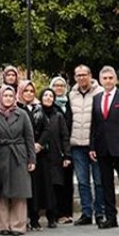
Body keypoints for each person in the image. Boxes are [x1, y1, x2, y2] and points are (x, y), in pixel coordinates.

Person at [89, 66, 119, 231]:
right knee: (106, 184)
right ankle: (111, 217)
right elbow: (94, 125)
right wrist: (92, 146)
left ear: (115, 80)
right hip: (103, 149)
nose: (108, 81)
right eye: (105, 78)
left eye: (111, 78)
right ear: (100, 80)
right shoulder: (96, 98)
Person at [0, 85, 36, 236]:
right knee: (0, 191)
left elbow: (29, 137)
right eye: (5, 96)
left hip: (19, 155)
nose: (8, 98)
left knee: (19, 190)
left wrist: (31, 159)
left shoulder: (22, 114)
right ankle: (2, 225)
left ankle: (17, 225)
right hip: (0, 154)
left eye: (10, 96)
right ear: (0, 97)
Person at [67, 65, 103, 225]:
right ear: (75, 77)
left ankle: (100, 212)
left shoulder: (100, 92)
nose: (81, 78)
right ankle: (86, 213)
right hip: (77, 144)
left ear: (90, 75)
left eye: (84, 74)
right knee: (82, 181)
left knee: (99, 181)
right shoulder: (71, 95)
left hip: (95, 145)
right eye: (78, 75)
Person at [32, 89, 70, 230]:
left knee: (53, 188)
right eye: (45, 95)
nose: (48, 98)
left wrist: (67, 155)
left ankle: (52, 217)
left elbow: (64, 136)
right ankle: (34, 218)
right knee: (38, 187)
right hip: (38, 155)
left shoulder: (58, 115)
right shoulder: (36, 113)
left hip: (54, 156)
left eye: (51, 96)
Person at [18, 81, 45, 229]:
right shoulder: (16, 108)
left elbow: (46, 128)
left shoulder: (39, 108)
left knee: (36, 186)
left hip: (37, 152)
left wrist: (39, 143)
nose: (28, 94)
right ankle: (24, 217)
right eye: (25, 91)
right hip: (22, 151)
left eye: (31, 91)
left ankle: (35, 218)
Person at [49, 76, 74, 224]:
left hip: (69, 147)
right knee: (57, 182)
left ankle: (68, 212)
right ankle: (58, 213)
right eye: (56, 85)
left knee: (68, 181)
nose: (59, 88)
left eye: (62, 85)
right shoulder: (49, 106)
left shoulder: (70, 104)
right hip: (55, 150)